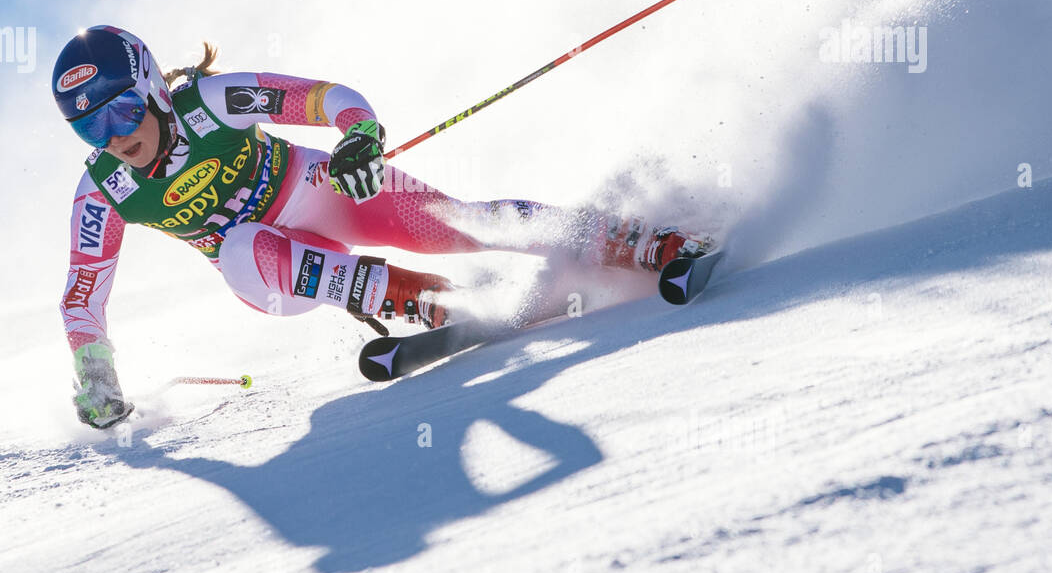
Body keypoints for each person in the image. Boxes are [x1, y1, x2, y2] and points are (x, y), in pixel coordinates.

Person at [54, 25, 712, 428]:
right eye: (89, 128)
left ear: (150, 87)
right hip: (267, 271)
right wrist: (96, 370)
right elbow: (83, 294)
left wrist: (359, 140)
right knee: (239, 247)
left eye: (119, 113)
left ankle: (651, 243)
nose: (112, 138)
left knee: (466, 225)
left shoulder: (212, 103)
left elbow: (326, 98)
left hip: (325, 191)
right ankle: (425, 301)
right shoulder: (103, 192)